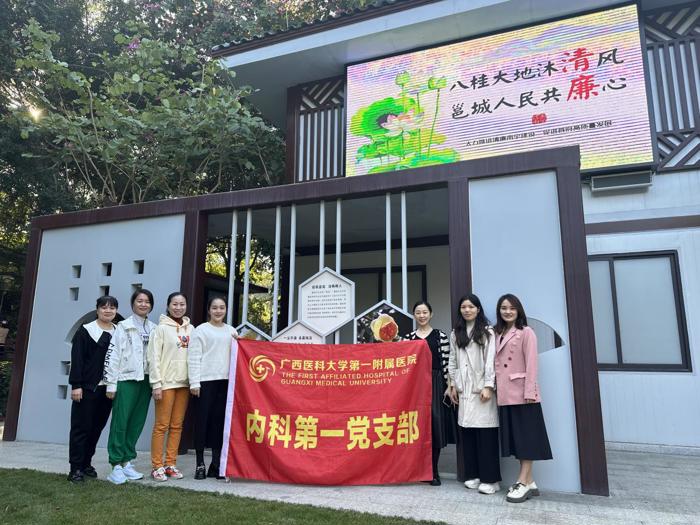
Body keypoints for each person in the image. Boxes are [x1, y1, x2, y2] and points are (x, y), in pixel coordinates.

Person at [494, 293, 552, 503]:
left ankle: (522, 481)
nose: (508, 311)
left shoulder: (526, 332)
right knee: (518, 440)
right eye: (503, 308)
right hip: (505, 394)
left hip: (522, 394)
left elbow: (532, 364)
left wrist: (530, 392)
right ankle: (529, 480)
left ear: (518, 310)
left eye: (512, 308)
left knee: (526, 439)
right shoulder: (498, 332)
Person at [447, 294, 501, 494]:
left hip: (481, 389)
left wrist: (488, 385)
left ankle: (491, 480)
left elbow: (491, 360)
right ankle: (473, 475)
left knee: (485, 434)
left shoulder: (487, 331)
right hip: (464, 389)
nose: (467, 310)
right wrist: (452, 384)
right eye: (463, 307)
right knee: (468, 432)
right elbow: (452, 360)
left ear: (478, 309)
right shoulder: (456, 333)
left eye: (471, 306)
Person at [104, 289, 157, 485]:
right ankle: (115, 464)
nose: (143, 304)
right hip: (126, 379)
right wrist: (111, 384)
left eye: (147, 301)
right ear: (133, 303)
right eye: (139, 301)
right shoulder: (123, 327)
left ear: (151, 305)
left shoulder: (154, 328)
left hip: (145, 380)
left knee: (136, 422)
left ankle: (127, 461)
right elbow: (113, 355)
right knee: (121, 422)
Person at [403, 300, 455, 486]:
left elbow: (448, 363)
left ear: (431, 314)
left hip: (435, 383)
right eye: (418, 312)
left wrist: (449, 386)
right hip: (414, 386)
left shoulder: (440, 336)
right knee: (415, 426)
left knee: (434, 426)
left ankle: (433, 471)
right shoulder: (408, 338)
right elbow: (402, 363)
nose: (422, 315)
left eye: (425, 312)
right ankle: (417, 470)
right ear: (414, 315)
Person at [67, 295, 118, 483]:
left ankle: (86, 463)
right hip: (87, 388)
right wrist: (76, 385)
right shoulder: (86, 331)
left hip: (108, 390)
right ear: (97, 310)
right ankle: (75, 468)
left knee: (96, 428)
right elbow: (77, 359)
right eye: (104, 307)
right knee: (81, 428)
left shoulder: (118, 332)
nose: (108, 311)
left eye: (112, 307)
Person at [188, 296, 238, 480]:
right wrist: (194, 382)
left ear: (226, 310)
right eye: (215, 307)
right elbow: (193, 357)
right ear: (209, 310)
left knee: (220, 424)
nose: (218, 311)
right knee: (202, 423)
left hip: (225, 383)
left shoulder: (231, 331)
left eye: (222, 307)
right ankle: (200, 464)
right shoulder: (201, 330)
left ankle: (216, 465)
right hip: (204, 383)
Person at [148, 292, 192, 482]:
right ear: (168, 306)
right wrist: (156, 384)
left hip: (184, 384)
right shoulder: (161, 329)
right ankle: (157, 466)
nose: (178, 307)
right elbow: (154, 357)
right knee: (161, 426)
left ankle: (170, 464)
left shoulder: (191, 329)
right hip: (165, 384)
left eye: (182, 304)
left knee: (176, 426)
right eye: (175, 304)